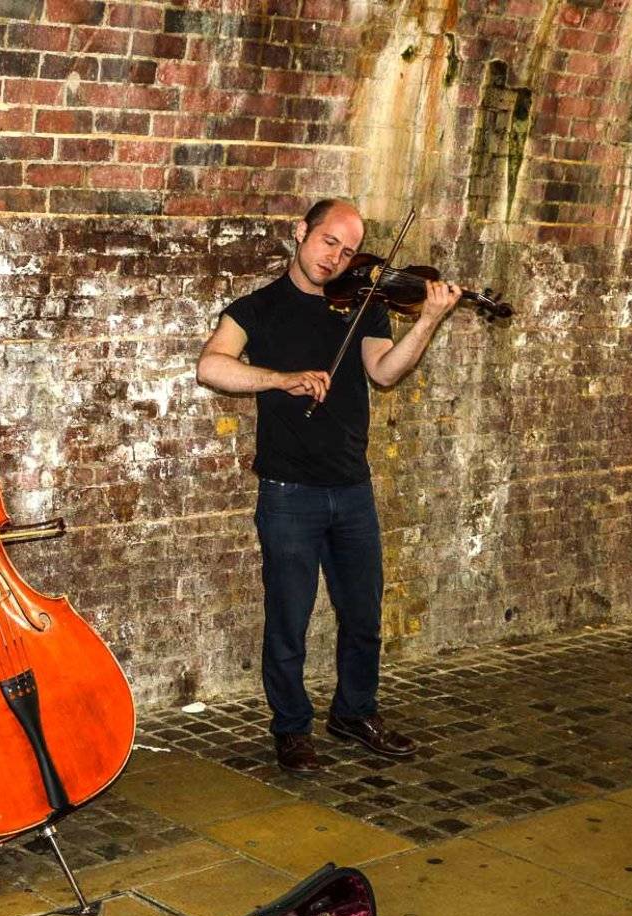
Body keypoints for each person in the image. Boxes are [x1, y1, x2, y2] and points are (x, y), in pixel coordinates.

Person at [196, 199, 462, 774]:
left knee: (363, 614)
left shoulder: (363, 305)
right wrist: (281, 379)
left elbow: (385, 372)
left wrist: (428, 320)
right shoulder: (256, 309)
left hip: (352, 489)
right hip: (288, 493)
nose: (336, 258)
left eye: (348, 250)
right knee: (289, 619)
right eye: (328, 242)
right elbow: (211, 366)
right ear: (301, 233)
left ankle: (354, 713)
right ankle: (292, 728)